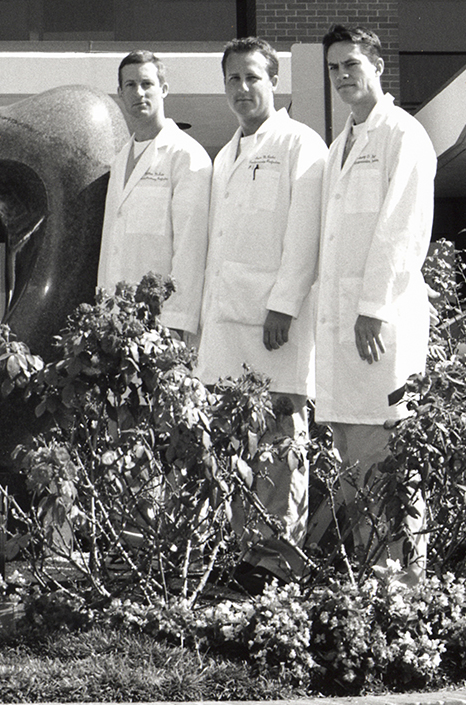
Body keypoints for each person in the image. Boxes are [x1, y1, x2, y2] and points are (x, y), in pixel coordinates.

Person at [195, 37, 326, 589]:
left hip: (276, 328)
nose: (243, 88)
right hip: (227, 328)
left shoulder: (301, 143)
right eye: (233, 78)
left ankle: (277, 564)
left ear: (274, 81)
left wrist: (284, 306)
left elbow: (305, 233)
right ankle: (246, 554)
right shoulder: (224, 155)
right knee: (238, 451)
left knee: (280, 447)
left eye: (253, 77)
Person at [317, 24, 436, 584]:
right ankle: (373, 583)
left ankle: (405, 590)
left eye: (352, 65)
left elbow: (403, 229)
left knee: (389, 463)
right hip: (342, 335)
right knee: (353, 468)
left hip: (378, 328)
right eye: (334, 67)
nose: (342, 76)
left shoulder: (402, 134)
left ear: (378, 67)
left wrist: (372, 307)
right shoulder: (340, 145)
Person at [98, 50, 212, 336]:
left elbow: (191, 247)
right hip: (116, 320)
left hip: (162, 324)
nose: (139, 92)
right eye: (130, 85)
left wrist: (176, 321)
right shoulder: (119, 160)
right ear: (120, 93)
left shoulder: (186, 155)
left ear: (164, 89)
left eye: (147, 84)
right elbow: (111, 243)